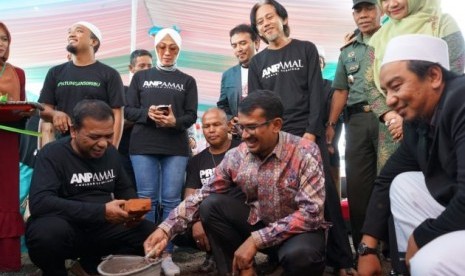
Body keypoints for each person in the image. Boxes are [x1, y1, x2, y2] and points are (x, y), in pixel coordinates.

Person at [144, 90, 327, 276]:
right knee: (211, 205)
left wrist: (256, 240)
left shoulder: (304, 152)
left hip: (298, 234)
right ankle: (237, 272)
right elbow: (202, 195)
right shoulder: (237, 155)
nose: (245, 135)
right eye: (241, 127)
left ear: (276, 125)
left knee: (302, 256)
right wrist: (166, 229)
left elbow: (311, 214)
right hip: (260, 222)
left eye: (252, 127)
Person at [249, 1, 356, 273]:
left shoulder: (305, 48)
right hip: (275, 140)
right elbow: (256, 104)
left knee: (327, 198)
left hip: (307, 136)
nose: (265, 24)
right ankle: (281, 256)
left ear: (283, 18)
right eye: (260, 22)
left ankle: (342, 261)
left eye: (269, 17)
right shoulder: (257, 62)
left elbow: (316, 95)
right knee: (279, 199)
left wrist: (311, 133)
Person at [358, 34, 465, 276]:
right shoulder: (418, 122)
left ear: (434, 76)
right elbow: (386, 179)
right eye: (385, 90)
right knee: (403, 184)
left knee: (431, 261)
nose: (389, 100)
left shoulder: (461, 99)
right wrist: (367, 249)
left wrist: (422, 236)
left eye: (396, 87)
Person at [25, 100, 156, 276]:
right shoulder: (52, 154)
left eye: (108, 136)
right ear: (73, 131)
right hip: (66, 227)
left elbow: (125, 191)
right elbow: (40, 203)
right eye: (94, 137)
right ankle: (56, 271)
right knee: (46, 235)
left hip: (102, 229)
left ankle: (91, 267)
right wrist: (101, 211)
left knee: (150, 233)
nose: (103, 143)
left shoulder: (111, 154)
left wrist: (133, 213)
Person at [125, 28, 198, 276]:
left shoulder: (188, 81)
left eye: (173, 48)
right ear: (156, 48)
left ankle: (166, 252)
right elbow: (128, 110)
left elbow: (191, 115)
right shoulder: (140, 78)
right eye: (162, 47)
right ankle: (147, 249)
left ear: (179, 50)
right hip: (143, 144)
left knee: (170, 200)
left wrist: (175, 122)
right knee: (147, 199)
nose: (167, 52)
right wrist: (148, 114)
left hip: (175, 146)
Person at [365, 0, 465, 170]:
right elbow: (369, 84)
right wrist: (391, 116)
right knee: (393, 183)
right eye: (385, 1)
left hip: (434, 121)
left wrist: (409, 118)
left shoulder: (442, 22)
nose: (391, 4)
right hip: (392, 129)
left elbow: (454, 70)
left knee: (440, 181)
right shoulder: (377, 38)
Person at [326, 0, 382, 255]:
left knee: (391, 180)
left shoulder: (393, 38)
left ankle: (392, 249)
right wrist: (330, 125)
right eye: (358, 10)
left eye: (369, 8)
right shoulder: (347, 50)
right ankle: (363, 249)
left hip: (389, 119)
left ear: (380, 10)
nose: (363, 15)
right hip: (357, 121)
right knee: (359, 187)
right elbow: (340, 90)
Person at [174, 108, 241, 273]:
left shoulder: (242, 150)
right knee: (180, 232)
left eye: (216, 124)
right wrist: (196, 222)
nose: (211, 130)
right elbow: (189, 195)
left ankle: (235, 255)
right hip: (207, 217)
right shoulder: (197, 160)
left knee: (215, 206)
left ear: (227, 126)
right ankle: (213, 254)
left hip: (239, 216)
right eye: (206, 126)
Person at [38, 21, 125, 147]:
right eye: (69, 32)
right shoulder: (55, 72)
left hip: (96, 147)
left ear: (93, 42)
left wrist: (113, 148)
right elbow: (43, 110)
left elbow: (117, 114)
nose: (71, 35)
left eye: (78, 31)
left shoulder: (110, 74)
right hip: (63, 145)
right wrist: (55, 113)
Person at [0, 21, 27, 272]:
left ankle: (6, 259)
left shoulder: (18, 73)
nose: (1, 43)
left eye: (5, 39)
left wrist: (21, 110)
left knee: (7, 195)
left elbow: (21, 106)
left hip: (7, 141)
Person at [120, 49, 153, 188]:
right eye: (142, 66)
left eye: (149, 66)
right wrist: (147, 115)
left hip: (151, 151)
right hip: (124, 153)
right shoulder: (121, 91)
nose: (146, 70)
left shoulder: (157, 92)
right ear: (131, 68)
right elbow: (118, 121)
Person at [217, 24, 260, 125]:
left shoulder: (268, 69)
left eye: (243, 43)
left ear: (257, 43)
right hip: (239, 135)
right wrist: (230, 119)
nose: (239, 49)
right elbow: (222, 105)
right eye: (234, 45)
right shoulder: (228, 75)